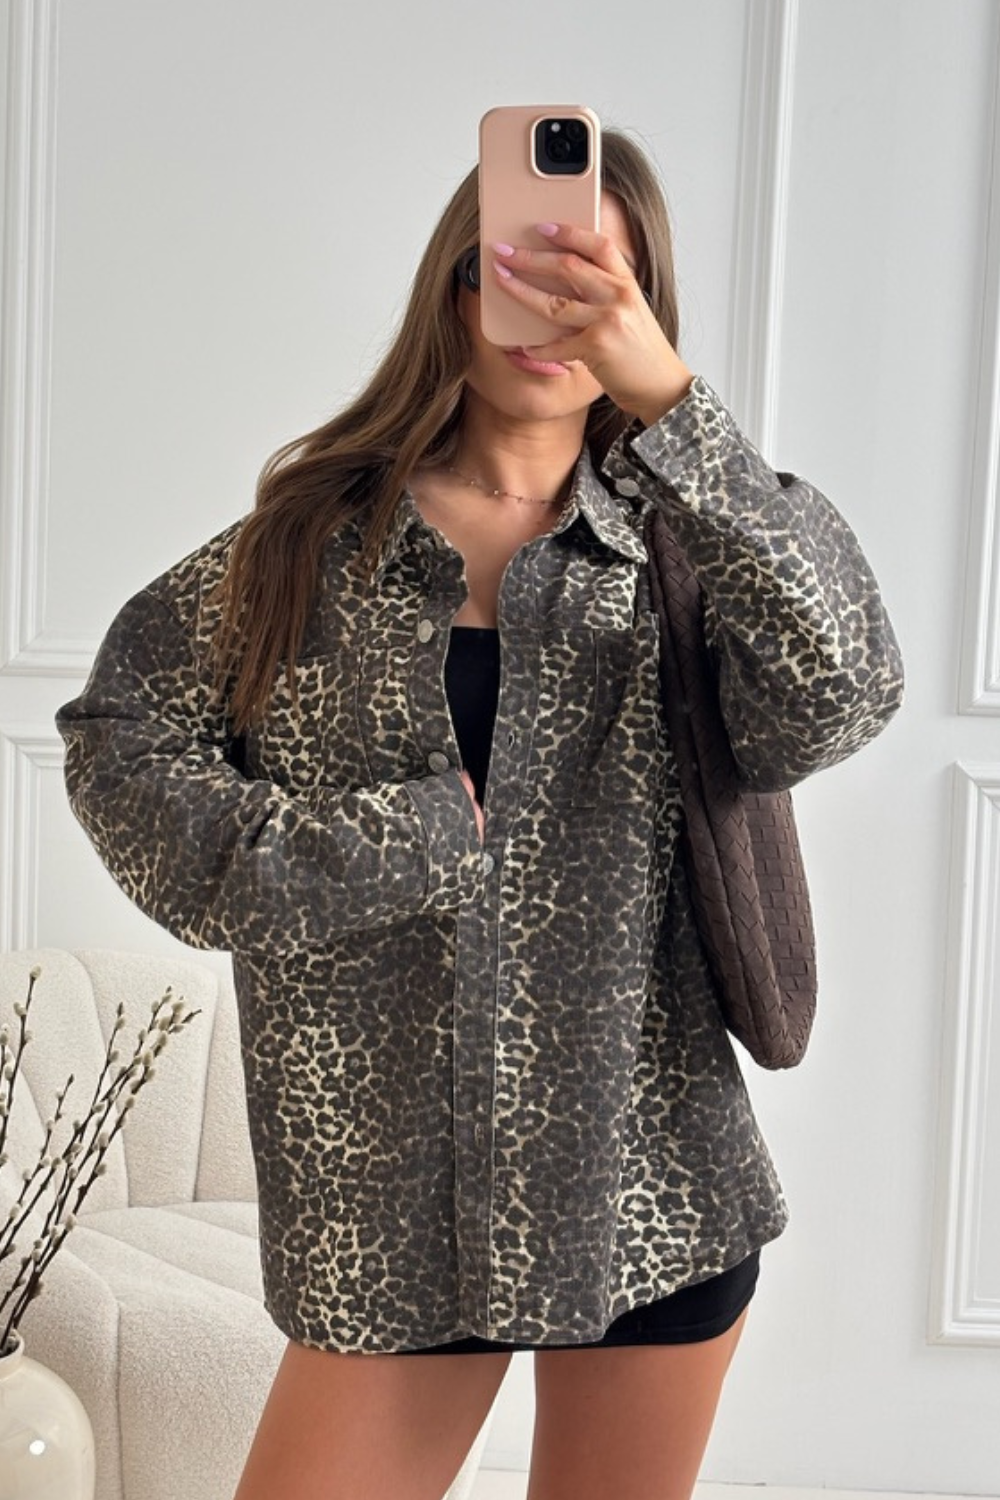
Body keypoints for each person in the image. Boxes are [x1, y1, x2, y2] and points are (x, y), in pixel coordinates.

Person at [55, 128, 903, 1500]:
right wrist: (385, 843)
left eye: (601, 281)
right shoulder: (309, 547)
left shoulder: (679, 551)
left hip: (649, 1188)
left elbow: (845, 690)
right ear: (454, 289)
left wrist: (677, 408)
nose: (559, 308)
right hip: (388, 1207)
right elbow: (119, 742)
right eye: (523, 270)